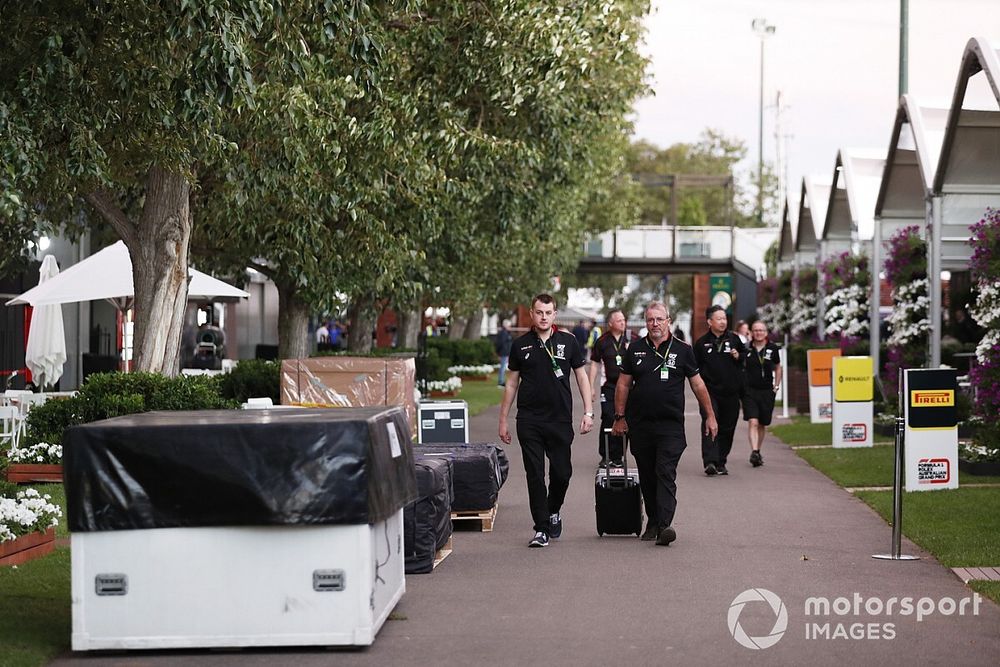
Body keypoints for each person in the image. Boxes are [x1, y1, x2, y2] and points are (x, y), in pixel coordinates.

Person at [612, 302, 718, 545]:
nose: (655, 324)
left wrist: (710, 415)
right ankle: (653, 521)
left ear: (668, 321)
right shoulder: (635, 349)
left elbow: (698, 384)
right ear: (646, 322)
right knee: (647, 475)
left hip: (670, 426)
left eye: (659, 319)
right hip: (641, 424)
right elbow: (623, 385)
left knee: (665, 471)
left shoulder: (683, 350)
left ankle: (665, 526)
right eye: (650, 320)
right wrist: (619, 417)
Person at [499, 294, 595, 548]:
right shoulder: (520, 345)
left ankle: (553, 510)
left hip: (559, 419)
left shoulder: (568, 341)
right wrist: (503, 420)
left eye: (548, 312)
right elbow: (511, 384)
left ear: (555, 315)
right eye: (539, 312)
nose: (543, 317)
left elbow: (582, 377)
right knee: (535, 474)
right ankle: (541, 528)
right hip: (529, 420)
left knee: (562, 473)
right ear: (532, 313)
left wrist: (588, 412)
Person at [693, 306, 744, 476]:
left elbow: (746, 357)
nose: (723, 322)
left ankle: (721, 461)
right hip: (709, 392)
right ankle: (710, 461)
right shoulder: (701, 344)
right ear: (709, 321)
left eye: (724, 318)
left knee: (728, 427)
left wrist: (739, 356)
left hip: (731, 392)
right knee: (710, 422)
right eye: (719, 319)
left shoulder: (735, 339)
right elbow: (694, 369)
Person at [588, 309, 629, 466]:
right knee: (608, 417)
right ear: (610, 323)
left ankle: (618, 457)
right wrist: (591, 387)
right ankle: (606, 455)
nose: (623, 323)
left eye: (624, 320)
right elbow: (594, 364)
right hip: (609, 386)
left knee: (624, 419)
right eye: (619, 320)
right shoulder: (602, 341)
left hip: (627, 388)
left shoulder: (631, 339)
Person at [742, 320, 782, 467]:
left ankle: (758, 450)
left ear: (766, 332)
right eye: (756, 330)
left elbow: (778, 367)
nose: (758, 333)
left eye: (761, 330)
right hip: (750, 391)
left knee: (762, 423)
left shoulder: (772, 348)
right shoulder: (746, 348)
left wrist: (776, 386)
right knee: (753, 421)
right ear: (751, 333)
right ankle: (754, 451)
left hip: (766, 391)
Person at [495, 319, 513, 387]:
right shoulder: (504, 333)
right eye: (509, 326)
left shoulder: (505, 333)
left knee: (503, 367)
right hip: (504, 353)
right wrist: (499, 352)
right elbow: (501, 343)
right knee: (502, 368)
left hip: (505, 352)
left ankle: (502, 381)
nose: (510, 327)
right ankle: (500, 382)